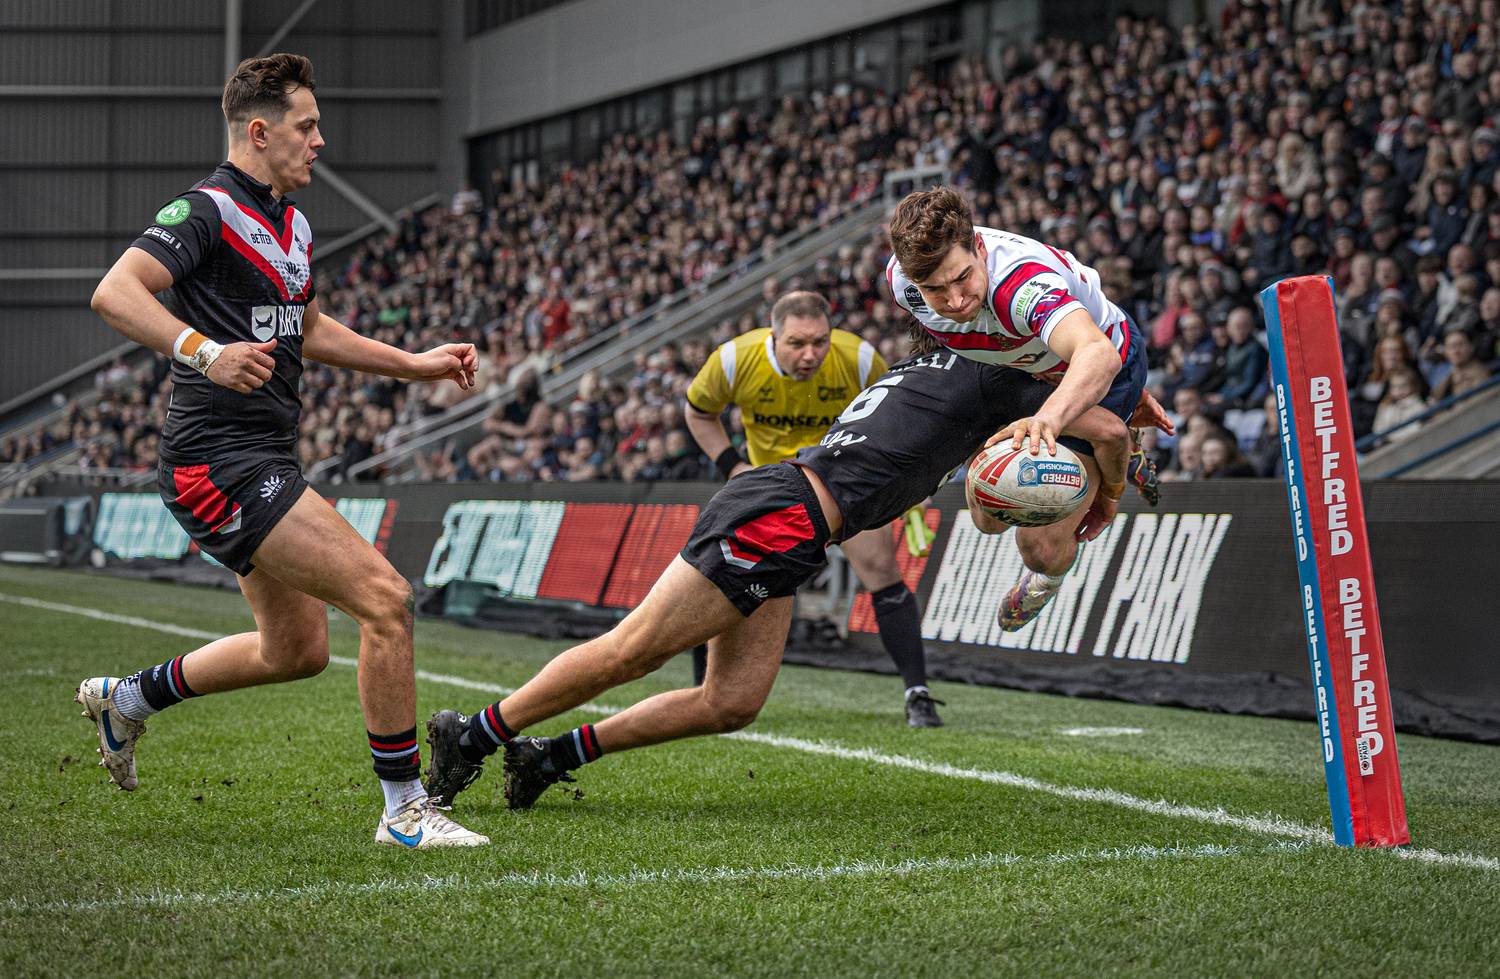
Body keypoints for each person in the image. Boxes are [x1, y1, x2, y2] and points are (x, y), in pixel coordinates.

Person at [423, 344, 1166, 811]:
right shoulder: (1002, 375)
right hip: (781, 515)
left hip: (796, 521)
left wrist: (1115, 413)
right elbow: (1100, 424)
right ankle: (477, 734)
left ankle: (555, 754)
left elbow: (995, 504)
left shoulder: (958, 365)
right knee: (634, 650)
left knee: (731, 701)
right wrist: (1108, 482)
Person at [73, 54, 486, 848]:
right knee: (386, 599)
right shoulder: (204, 210)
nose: (320, 141)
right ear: (258, 132)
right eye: (307, 126)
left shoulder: (291, 222)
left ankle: (129, 699)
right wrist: (205, 351)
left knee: (295, 650)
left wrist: (415, 362)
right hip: (218, 460)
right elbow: (115, 291)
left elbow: (313, 326)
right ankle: (404, 810)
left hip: (262, 454)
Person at [884, 186, 1159, 632]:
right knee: (988, 517)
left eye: (962, 278)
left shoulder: (1024, 285)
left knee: (1040, 546)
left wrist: (1050, 420)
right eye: (935, 289)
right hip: (1019, 365)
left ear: (979, 247)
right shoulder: (903, 282)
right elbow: (938, 324)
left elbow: (1098, 356)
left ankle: (1050, 575)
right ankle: (1121, 436)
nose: (954, 301)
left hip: (1098, 365)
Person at [684, 291, 943, 727]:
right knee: (718, 578)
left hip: (842, 478)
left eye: (819, 342)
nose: (810, 355)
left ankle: (918, 693)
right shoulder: (732, 359)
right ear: (774, 336)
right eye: (797, 344)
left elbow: (899, 415)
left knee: (881, 569)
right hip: (771, 488)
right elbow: (698, 413)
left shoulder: (859, 357)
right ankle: (697, 691)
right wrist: (734, 466)